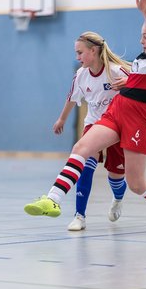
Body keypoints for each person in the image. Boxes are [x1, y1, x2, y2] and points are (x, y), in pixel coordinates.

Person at [24, 0, 146, 233]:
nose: (142, 41)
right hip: (117, 110)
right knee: (81, 149)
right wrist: (128, 84)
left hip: (139, 119)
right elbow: (142, 81)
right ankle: (52, 199)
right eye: (141, 36)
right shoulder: (143, 58)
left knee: (136, 184)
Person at [52, 31, 130, 230]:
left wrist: (129, 84)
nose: (77, 57)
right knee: (85, 165)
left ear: (93, 51)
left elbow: (145, 85)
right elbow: (71, 97)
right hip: (94, 124)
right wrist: (62, 118)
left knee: (116, 175)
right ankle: (79, 216)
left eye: (80, 53)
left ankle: (118, 198)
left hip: (117, 127)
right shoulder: (81, 74)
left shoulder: (117, 71)